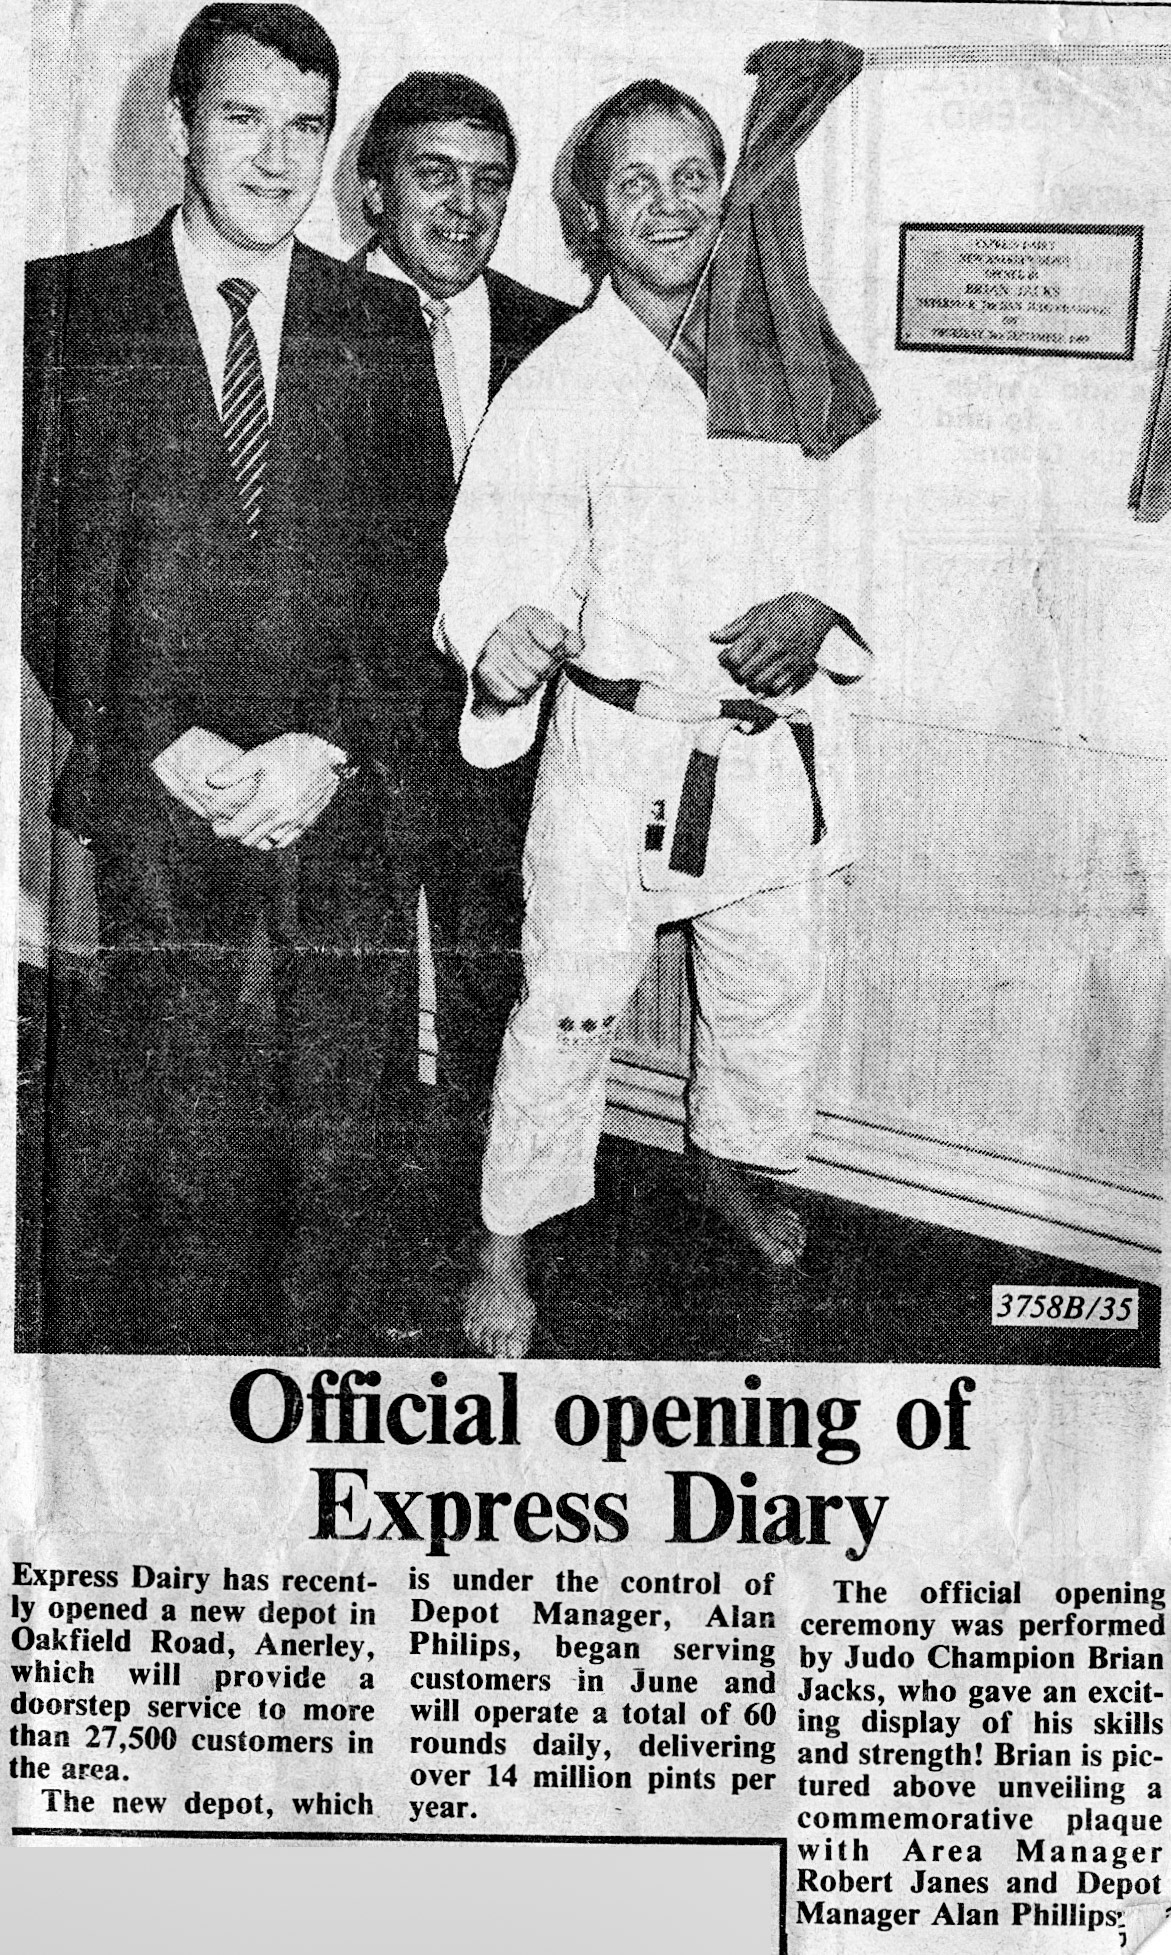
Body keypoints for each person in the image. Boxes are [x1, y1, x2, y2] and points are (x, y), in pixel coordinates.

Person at [23, 5, 443, 1351]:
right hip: (162, 803)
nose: (277, 158)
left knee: (337, 1136)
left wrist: (325, 744)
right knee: (175, 1132)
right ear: (177, 129)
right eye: (243, 118)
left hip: (336, 800)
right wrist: (153, 739)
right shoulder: (60, 307)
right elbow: (39, 564)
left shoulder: (381, 324)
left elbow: (411, 573)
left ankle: (314, 1390)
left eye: (306, 125)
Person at [438, 79, 874, 1357]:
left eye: (694, 176)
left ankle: (728, 1166)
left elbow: (864, 517)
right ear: (590, 212)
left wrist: (821, 604)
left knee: (768, 993)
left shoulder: (793, 343)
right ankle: (503, 1242)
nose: (671, 204)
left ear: (727, 193)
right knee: (566, 1005)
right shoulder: (561, 382)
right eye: (637, 182)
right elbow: (486, 567)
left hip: (767, 746)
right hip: (619, 757)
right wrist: (503, 635)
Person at [350, 72, 575, 1169]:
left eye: (490, 182)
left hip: (504, 718)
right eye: (432, 174)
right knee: (350, 982)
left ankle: (491, 1192)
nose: (463, 206)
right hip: (349, 727)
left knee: (500, 961)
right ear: (371, 190)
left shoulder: (556, 337)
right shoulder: (305, 324)